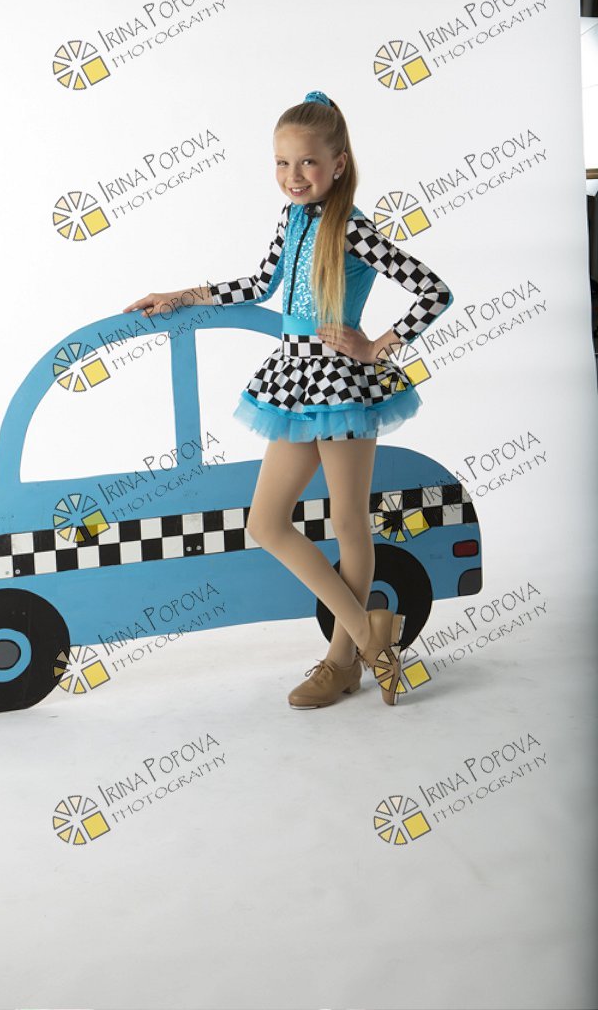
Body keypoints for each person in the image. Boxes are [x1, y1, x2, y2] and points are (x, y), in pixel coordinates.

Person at [123, 91, 453, 709]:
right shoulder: (292, 219)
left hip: (341, 383)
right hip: (294, 380)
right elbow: (259, 283)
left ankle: (342, 662)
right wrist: (180, 295)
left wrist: (376, 346)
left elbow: (434, 291)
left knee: (348, 522)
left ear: (338, 164)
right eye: (281, 162)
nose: (293, 176)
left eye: (307, 162)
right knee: (266, 523)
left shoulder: (352, 229)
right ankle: (371, 636)